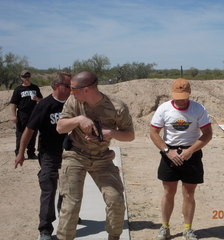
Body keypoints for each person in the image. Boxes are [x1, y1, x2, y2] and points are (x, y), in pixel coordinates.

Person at [56, 71, 135, 240]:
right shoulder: (73, 101)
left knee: (116, 201)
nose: (71, 92)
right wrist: (78, 119)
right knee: (71, 204)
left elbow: (130, 135)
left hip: (102, 158)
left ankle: (114, 237)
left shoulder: (117, 107)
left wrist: (110, 133)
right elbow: (60, 127)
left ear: (87, 89)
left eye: (74, 89)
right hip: (76, 156)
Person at [150, 78, 212, 240]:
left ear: (189, 93)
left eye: (184, 96)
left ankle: (188, 229)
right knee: (168, 192)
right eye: (177, 96)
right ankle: (165, 227)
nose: (181, 100)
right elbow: (153, 132)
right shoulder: (164, 109)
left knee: (189, 194)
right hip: (169, 154)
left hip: (191, 155)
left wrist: (190, 151)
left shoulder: (198, 109)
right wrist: (167, 151)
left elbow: (207, 134)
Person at [14, 72, 72, 240]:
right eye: (68, 86)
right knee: (48, 185)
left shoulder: (74, 104)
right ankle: (45, 229)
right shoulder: (44, 105)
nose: (71, 90)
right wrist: (21, 153)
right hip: (49, 153)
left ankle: (66, 212)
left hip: (70, 152)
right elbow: (29, 130)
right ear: (56, 86)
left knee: (70, 186)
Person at [10, 70, 43, 159]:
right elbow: (13, 103)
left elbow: (41, 100)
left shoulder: (35, 88)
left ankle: (31, 153)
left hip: (34, 113)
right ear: (21, 78)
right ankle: (19, 153)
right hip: (22, 114)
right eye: (25, 77)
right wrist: (13, 115)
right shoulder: (18, 89)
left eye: (28, 76)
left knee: (33, 133)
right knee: (20, 134)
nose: (27, 78)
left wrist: (37, 99)